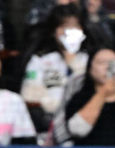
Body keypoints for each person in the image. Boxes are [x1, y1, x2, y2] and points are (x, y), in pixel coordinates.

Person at [20, 3, 97, 135]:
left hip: (85, 124)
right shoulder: (39, 61)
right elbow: (29, 96)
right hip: (48, 125)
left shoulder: (92, 61)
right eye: (63, 26)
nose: (69, 32)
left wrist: (73, 63)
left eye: (74, 27)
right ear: (53, 31)